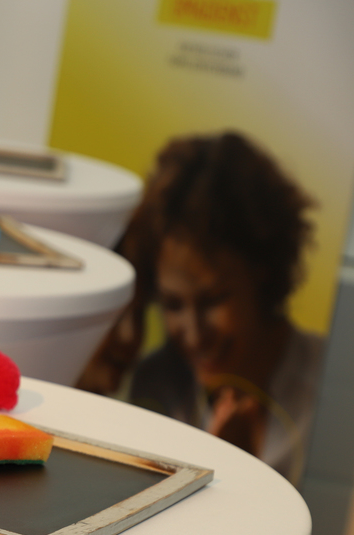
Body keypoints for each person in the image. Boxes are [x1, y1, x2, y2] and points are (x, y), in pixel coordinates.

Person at [77, 131, 323, 483]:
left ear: (263, 272)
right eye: (173, 305)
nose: (193, 336)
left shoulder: (333, 383)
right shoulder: (157, 385)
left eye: (213, 300)